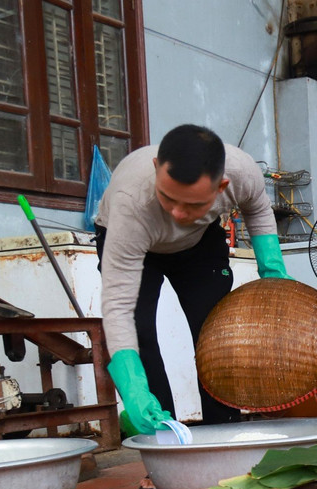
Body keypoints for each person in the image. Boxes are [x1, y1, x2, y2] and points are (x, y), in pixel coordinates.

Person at [95, 124, 290, 439]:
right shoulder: (130, 201)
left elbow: (258, 209)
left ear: (221, 186)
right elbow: (118, 306)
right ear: (158, 169)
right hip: (136, 245)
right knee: (141, 333)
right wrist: (131, 385)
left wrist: (273, 272)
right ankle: (164, 443)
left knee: (215, 335)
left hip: (198, 246)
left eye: (193, 204)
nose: (177, 214)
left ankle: (223, 439)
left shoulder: (242, 172)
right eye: (168, 198)